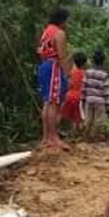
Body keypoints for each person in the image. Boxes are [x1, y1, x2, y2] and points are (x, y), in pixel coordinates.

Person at [36, 9, 71, 150]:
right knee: (54, 103)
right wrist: (67, 74)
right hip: (54, 67)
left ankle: (46, 137)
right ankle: (54, 137)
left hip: (44, 66)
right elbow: (62, 56)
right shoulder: (59, 33)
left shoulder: (46, 32)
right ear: (62, 21)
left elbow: (40, 51)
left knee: (47, 102)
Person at [82, 49, 109, 135]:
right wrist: (108, 103)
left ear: (93, 60)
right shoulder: (104, 75)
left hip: (89, 99)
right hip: (100, 100)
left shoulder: (87, 72)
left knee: (88, 118)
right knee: (98, 120)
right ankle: (93, 136)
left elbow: (84, 86)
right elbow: (107, 90)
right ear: (103, 61)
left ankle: (86, 135)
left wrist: (83, 98)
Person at [61, 51, 87, 133]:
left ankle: (72, 132)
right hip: (79, 97)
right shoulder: (84, 74)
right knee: (79, 117)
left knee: (73, 117)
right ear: (84, 63)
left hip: (69, 96)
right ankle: (79, 132)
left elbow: (68, 84)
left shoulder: (71, 73)